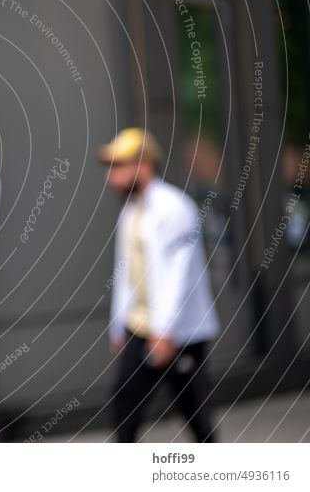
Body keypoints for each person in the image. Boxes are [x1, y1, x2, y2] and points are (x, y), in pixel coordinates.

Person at [99, 127, 220, 443]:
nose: (112, 175)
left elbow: (179, 276)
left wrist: (165, 331)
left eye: (119, 165)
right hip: (140, 328)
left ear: (144, 164)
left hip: (178, 333)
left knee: (193, 410)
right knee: (125, 402)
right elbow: (126, 273)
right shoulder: (131, 211)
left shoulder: (174, 208)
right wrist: (119, 327)